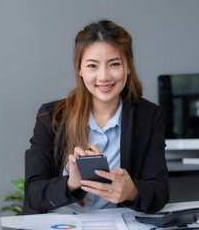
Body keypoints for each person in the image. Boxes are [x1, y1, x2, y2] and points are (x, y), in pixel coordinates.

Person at [22, 19, 169, 215]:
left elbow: (159, 192)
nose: (104, 76)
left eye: (114, 64)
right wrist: (70, 183)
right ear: (79, 69)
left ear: (128, 65)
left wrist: (132, 191)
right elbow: (33, 193)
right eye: (92, 66)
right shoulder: (51, 117)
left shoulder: (149, 117)